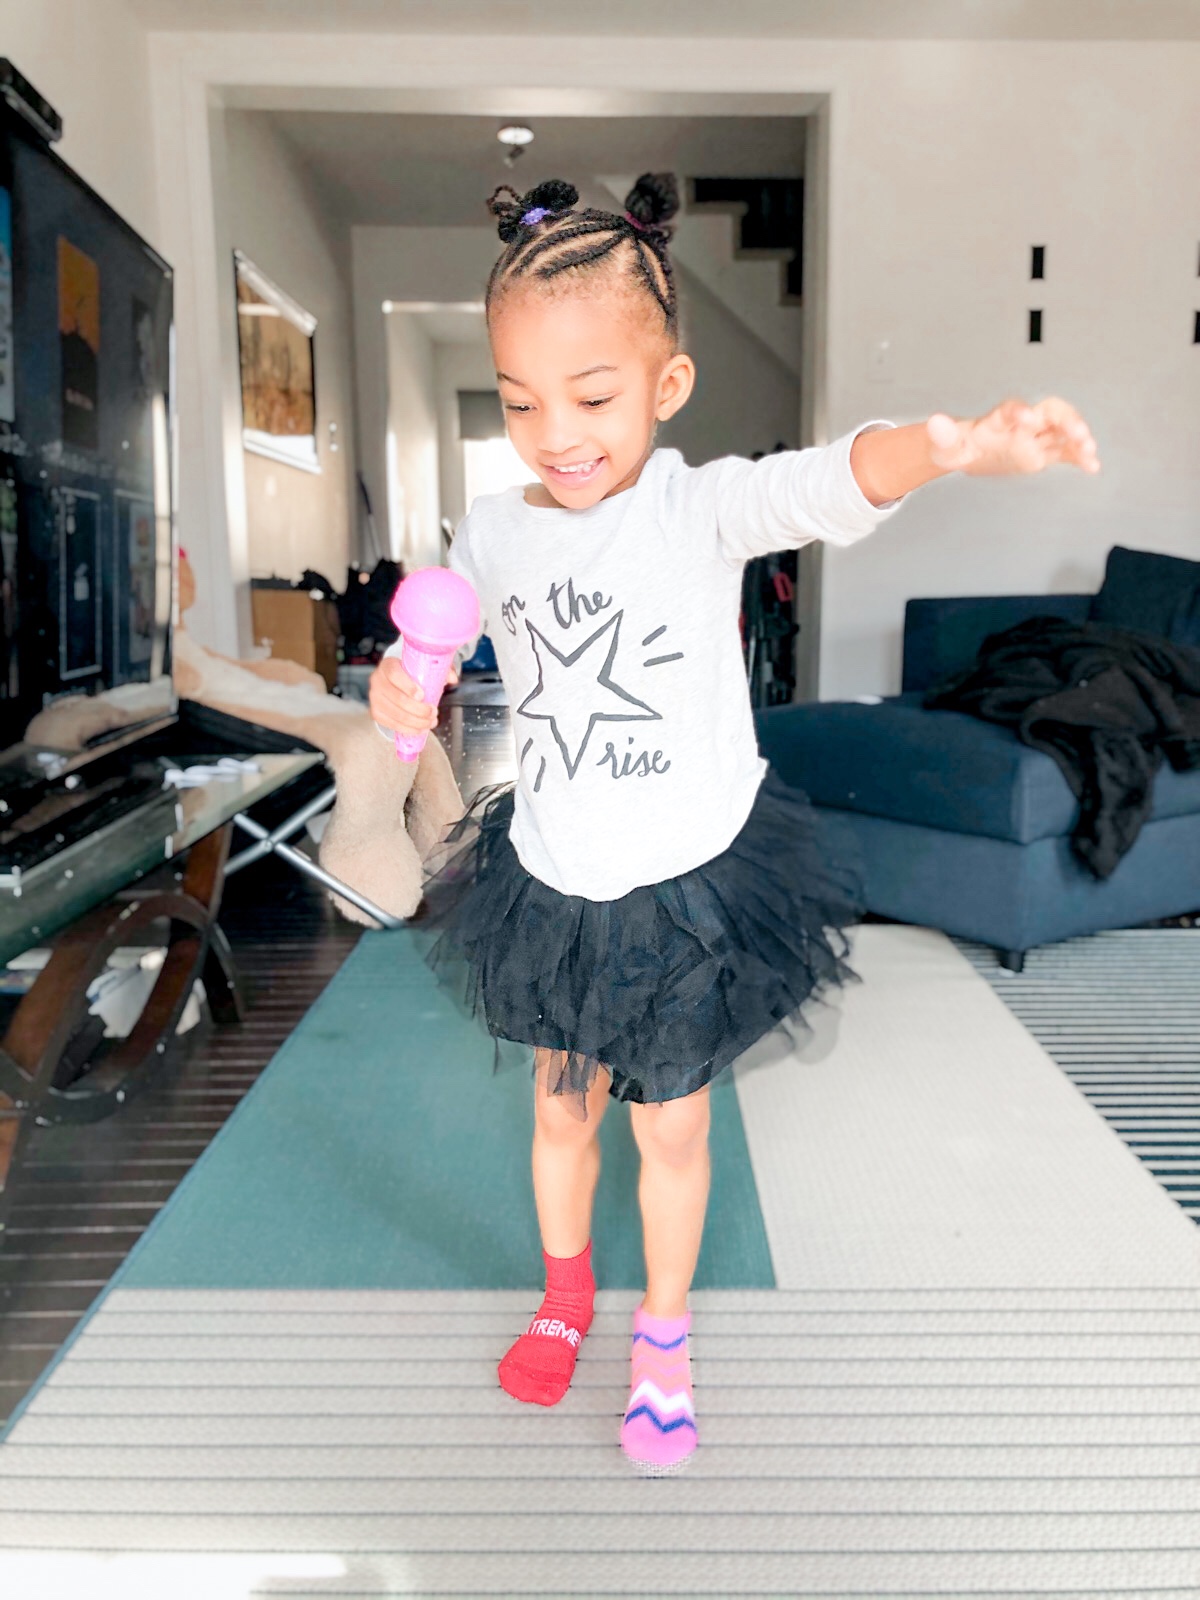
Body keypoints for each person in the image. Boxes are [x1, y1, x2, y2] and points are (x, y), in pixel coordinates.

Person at [369, 173, 1100, 1475]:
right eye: (522, 401)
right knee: (560, 1111)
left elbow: (831, 480)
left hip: (690, 882)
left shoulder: (697, 508)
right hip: (555, 875)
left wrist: (949, 443)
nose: (556, 434)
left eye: (593, 397)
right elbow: (442, 630)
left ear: (669, 385)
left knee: (671, 1123)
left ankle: (663, 1331)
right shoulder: (490, 528)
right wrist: (402, 678)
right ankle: (565, 1294)